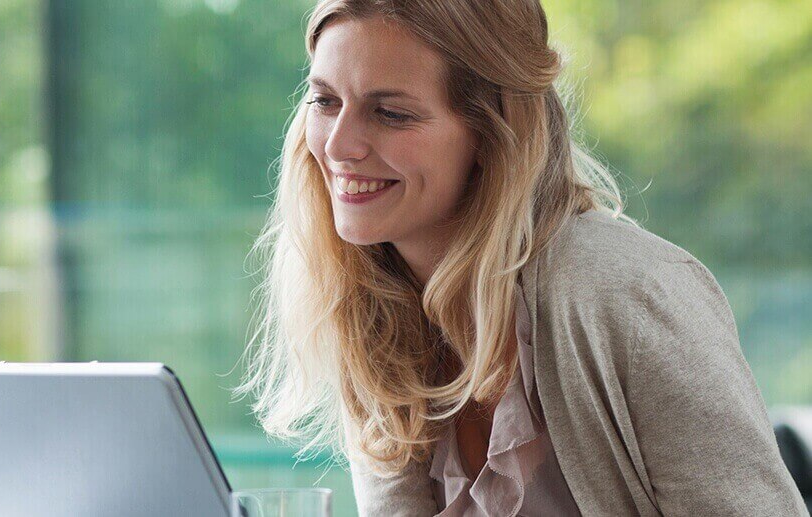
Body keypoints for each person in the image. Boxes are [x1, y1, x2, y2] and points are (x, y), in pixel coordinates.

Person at [235, 0, 807, 514]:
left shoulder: (630, 293)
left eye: (392, 113)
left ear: (491, 131)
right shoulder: (374, 315)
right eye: (324, 101)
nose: (338, 145)